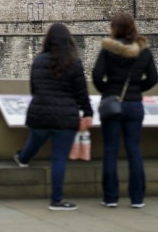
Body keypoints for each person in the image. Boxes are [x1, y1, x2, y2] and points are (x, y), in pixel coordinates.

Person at [14, 23, 93, 211]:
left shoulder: (39, 60)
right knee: (58, 158)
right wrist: (88, 112)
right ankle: (56, 201)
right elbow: (81, 92)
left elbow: (34, 88)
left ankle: (23, 158)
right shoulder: (74, 62)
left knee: (35, 140)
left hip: (40, 112)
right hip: (65, 117)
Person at [92, 12, 158, 209]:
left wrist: (108, 92)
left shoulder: (107, 50)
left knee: (110, 150)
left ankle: (110, 197)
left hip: (112, 104)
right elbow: (153, 78)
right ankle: (137, 198)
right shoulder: (143, 51)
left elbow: (97, 75)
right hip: (134, 105)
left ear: (115, 28)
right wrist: (137, 90)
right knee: (134, 150)